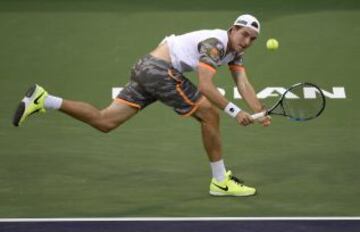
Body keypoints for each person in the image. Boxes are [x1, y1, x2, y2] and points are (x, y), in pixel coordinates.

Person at [13, 14, 271, 197]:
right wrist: (236, 112)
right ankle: (220, 181)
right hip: (160, 70)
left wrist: (259, 110)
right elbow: (205, 85)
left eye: (252, 39)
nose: (246, 41)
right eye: (244, 34)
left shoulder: (235, 52)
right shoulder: (216, 43)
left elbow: (243, 83)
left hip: (146, 67)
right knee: (209, 113)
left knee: (106, 121)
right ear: (232, 29)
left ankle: (44, 99)